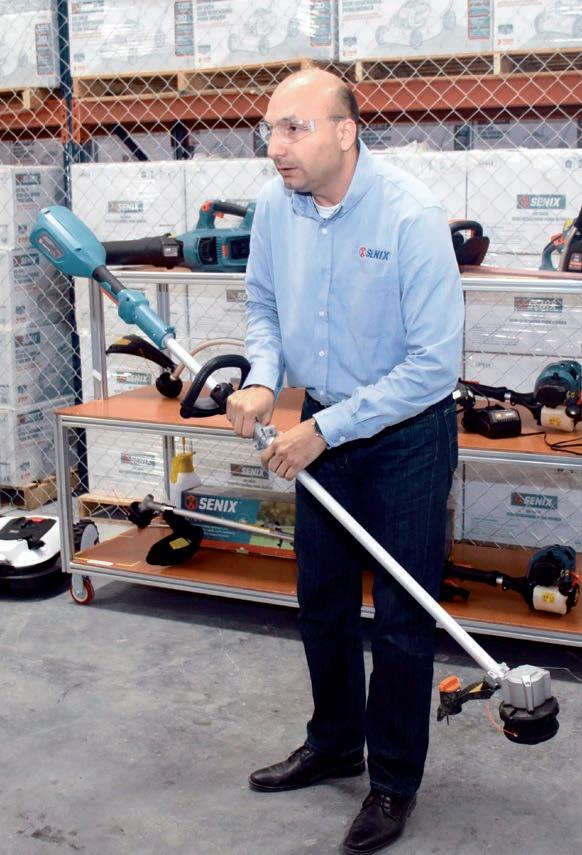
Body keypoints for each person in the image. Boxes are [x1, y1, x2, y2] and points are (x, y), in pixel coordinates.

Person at [226, 67, 464, 854]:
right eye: (269, 129)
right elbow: (263, 306)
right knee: (321, 599)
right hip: (320, 422)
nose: (276, 147)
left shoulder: (410, 216)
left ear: (345, 131)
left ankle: (393, 780)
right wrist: (263, 381)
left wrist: (325, 431)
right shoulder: (275, 206)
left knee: (401, 615)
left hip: (406, 434)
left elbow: (433, 366)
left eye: (293, 128)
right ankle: (334, 742)